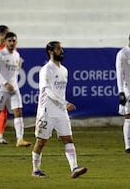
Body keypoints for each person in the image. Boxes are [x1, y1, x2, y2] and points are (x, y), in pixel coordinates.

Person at [31, 41, 87, 178]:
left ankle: (74, 168)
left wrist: (63, 105)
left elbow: (59, 91)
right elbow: (48, 91)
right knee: (41, 141)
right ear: (51, 52)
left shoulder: (64, 70)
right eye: (58, 49)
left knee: (68, 139)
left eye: (61, 48)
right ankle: (35, 170)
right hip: (47, 111)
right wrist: (64, 102)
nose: (61, 51)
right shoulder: (46, 69)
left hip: (61, 111)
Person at [0, 32, 31, 147]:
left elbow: (15, 71)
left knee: (18, 111)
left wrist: (13, 83)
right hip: (1, 89)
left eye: (14, 41)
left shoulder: (16, 55)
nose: (12, 43)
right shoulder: (0, 55)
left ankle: (20, 139)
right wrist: (5, 83)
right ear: (5, 42)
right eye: (9, 41)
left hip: (14, 89)